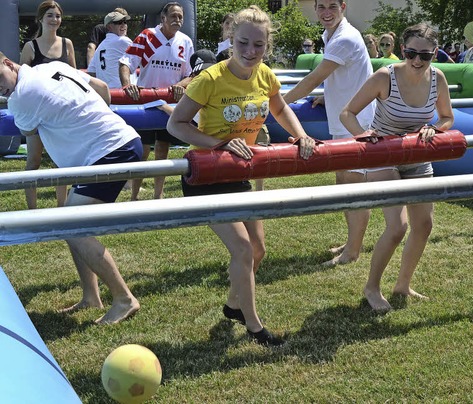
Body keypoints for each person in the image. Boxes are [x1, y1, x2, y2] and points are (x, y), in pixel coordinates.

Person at [167, 5, 316, 346]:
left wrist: (300, 134)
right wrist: (220, 143)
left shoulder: (264, 74)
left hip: (239, 172)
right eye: (243, 43)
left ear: (268, 46)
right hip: (207, 174)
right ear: (231, 39)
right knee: (244, 249)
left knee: (258, 250)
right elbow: (175, 124)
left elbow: (279, 107)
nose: (250, 52)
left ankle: (234, 305)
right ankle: (254, 326)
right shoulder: (210, 79)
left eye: (258, 46)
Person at [0, 51, 142, 324]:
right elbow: (100, 87)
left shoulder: (22, 97)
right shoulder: (51, 66)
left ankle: (124, 299)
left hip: (107, 152)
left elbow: (29, 131)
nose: (0, 89)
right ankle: (91, 297)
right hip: (112, 145)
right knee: (70, 222)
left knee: (73, 228)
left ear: (8, 63)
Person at [340, 23, 454, 311]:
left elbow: (447, 118)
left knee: (424, 225)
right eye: (411, 53)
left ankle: (403, 284)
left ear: (435, 54)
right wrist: (362, 135)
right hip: (383, 156)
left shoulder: (438, 79)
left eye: (425, 56)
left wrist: (435, 128)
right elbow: (347, 113)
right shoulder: (384, 77)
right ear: (403, 50)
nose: (417, 61)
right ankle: (371, 288)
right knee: (397, 226)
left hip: (417, 157)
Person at [283, 0, 376, 266]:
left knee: (354, 189)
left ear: (343, 6)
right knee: (343, 184)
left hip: (357, 122)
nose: (326, 13)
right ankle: (351, 242)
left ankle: (352, 252)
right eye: (321, 7)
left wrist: (279, 104)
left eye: (331, 7)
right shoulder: (332, 34)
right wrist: (329, 95)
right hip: (344, 120)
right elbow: (348, 75)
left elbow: (313, 78)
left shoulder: (344, 38)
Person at [119, 1, 194, 201]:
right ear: (163, 19)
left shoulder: (185, 41)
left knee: (163, 150)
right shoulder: (147, 36)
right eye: (173, 16)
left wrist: (182, 85)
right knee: (141, 152)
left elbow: (191, 74)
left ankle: (158, 196)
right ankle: (134, 196)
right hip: (145, 105)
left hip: (169, 106)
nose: (178, 20)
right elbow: (126, 62)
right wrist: (127, 86)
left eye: (180, 16)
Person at [19, 0, 76, 210]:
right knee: (33, 162)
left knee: (61, 162)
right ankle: (32, 211)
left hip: (61, 115)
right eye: (50, 15)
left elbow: (74, 79)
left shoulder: (67, 44)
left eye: (58, 16)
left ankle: (61, 208)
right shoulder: (30, 47)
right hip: (37, 115)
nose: (54, 19)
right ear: (40, 19)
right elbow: (21, 82)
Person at [87, 10, 133, 88]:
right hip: (123, 93)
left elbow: (91, 72)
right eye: (118, 22)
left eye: (125, 22)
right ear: (109, 27)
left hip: (106, 95)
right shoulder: (123, 40)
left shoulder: (99, 47)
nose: (123, 25)